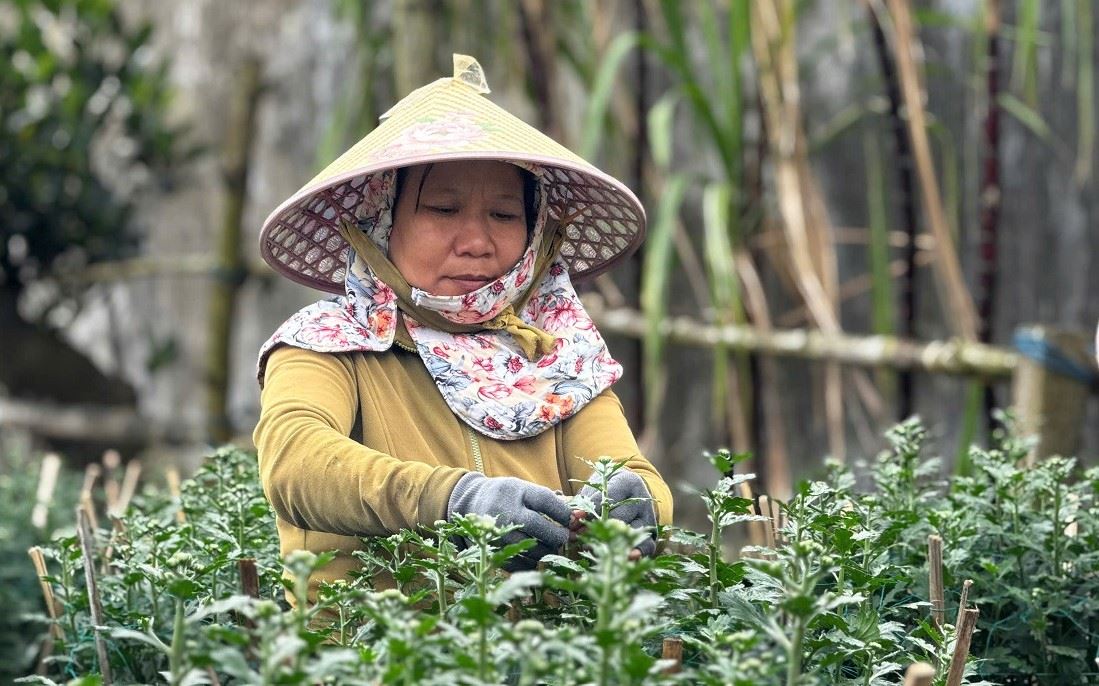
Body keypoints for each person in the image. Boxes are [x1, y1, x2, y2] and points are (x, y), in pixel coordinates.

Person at [252, 55, 673, 602]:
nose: (477, 241)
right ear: (383, 222)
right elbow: (296, 463)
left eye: (503, 215)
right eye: (444, 209)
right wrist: (456, 500)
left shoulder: (552, 348)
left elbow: (632, 471)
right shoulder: (327, 344)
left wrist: (636, 499)